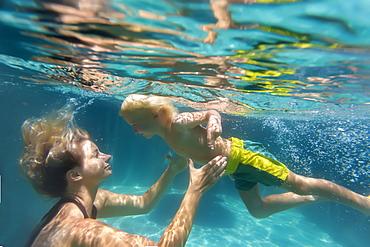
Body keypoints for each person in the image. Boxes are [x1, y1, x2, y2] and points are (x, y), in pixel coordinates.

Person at [120, 94, 370, 218]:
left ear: (154, 115)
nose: (133, 130)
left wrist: (215, 122)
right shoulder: (168, 137)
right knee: (258, 211)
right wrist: (180, 163)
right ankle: (317, 197)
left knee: (300, 183)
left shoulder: (178, 122)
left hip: (246, 157)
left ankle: (363, 203)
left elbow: (211, 111)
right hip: (236, 170)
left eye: (135, 124)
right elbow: (195, 150)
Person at [20, 105, 227, 247]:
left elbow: (144, 203)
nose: (107, 156)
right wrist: (195, 190)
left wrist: (172, 170)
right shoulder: (79, 229)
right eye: (95, 155)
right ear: (74, 175)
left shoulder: (87, 201)